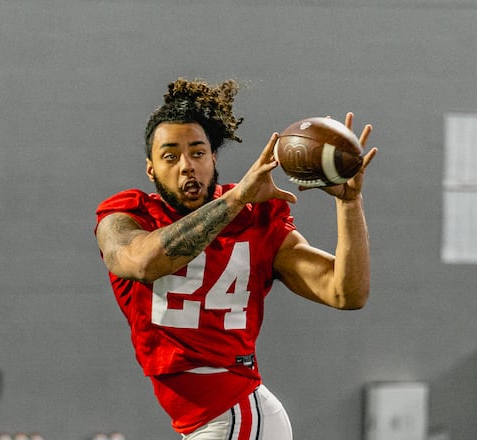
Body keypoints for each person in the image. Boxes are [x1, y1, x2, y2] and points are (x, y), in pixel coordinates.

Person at [94, 77, 377, 440]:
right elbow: (144, 262)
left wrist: (349, 204)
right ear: (151, 169)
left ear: (213, 158)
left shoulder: (256, 218)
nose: (186, 165)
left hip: (235, 414)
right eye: (170, 156)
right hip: (207, 421)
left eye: (198, 152)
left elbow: (346, 293)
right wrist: (235, 199)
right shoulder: (127, 215)